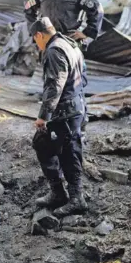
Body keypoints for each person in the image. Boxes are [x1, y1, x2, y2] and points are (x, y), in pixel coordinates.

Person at [30, 17, 87, 218]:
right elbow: (83, 77)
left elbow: (54, 85)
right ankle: (60, 193)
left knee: (66, 153)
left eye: (35, 39)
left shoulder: (54, 51)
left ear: (39, 35)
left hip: (65, 112)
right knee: (50, 146)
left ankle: (74, 198)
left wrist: (43, 116)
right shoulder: (69, 43)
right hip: (76, 107)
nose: (36, 44)